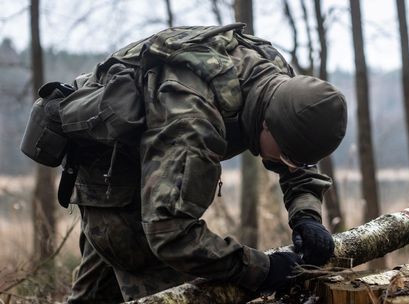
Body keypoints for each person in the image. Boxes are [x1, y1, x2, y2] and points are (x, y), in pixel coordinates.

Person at [48, 23, 346, 303]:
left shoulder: (281, 84)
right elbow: (169, 232)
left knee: (95, 295)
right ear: (267, 124)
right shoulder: (192, 119)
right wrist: (263, 269)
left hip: (149, 156)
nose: (287, 164)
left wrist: (307, 216)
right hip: (110, 177)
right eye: (284, 155)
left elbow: (299, 163)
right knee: (162, 286)